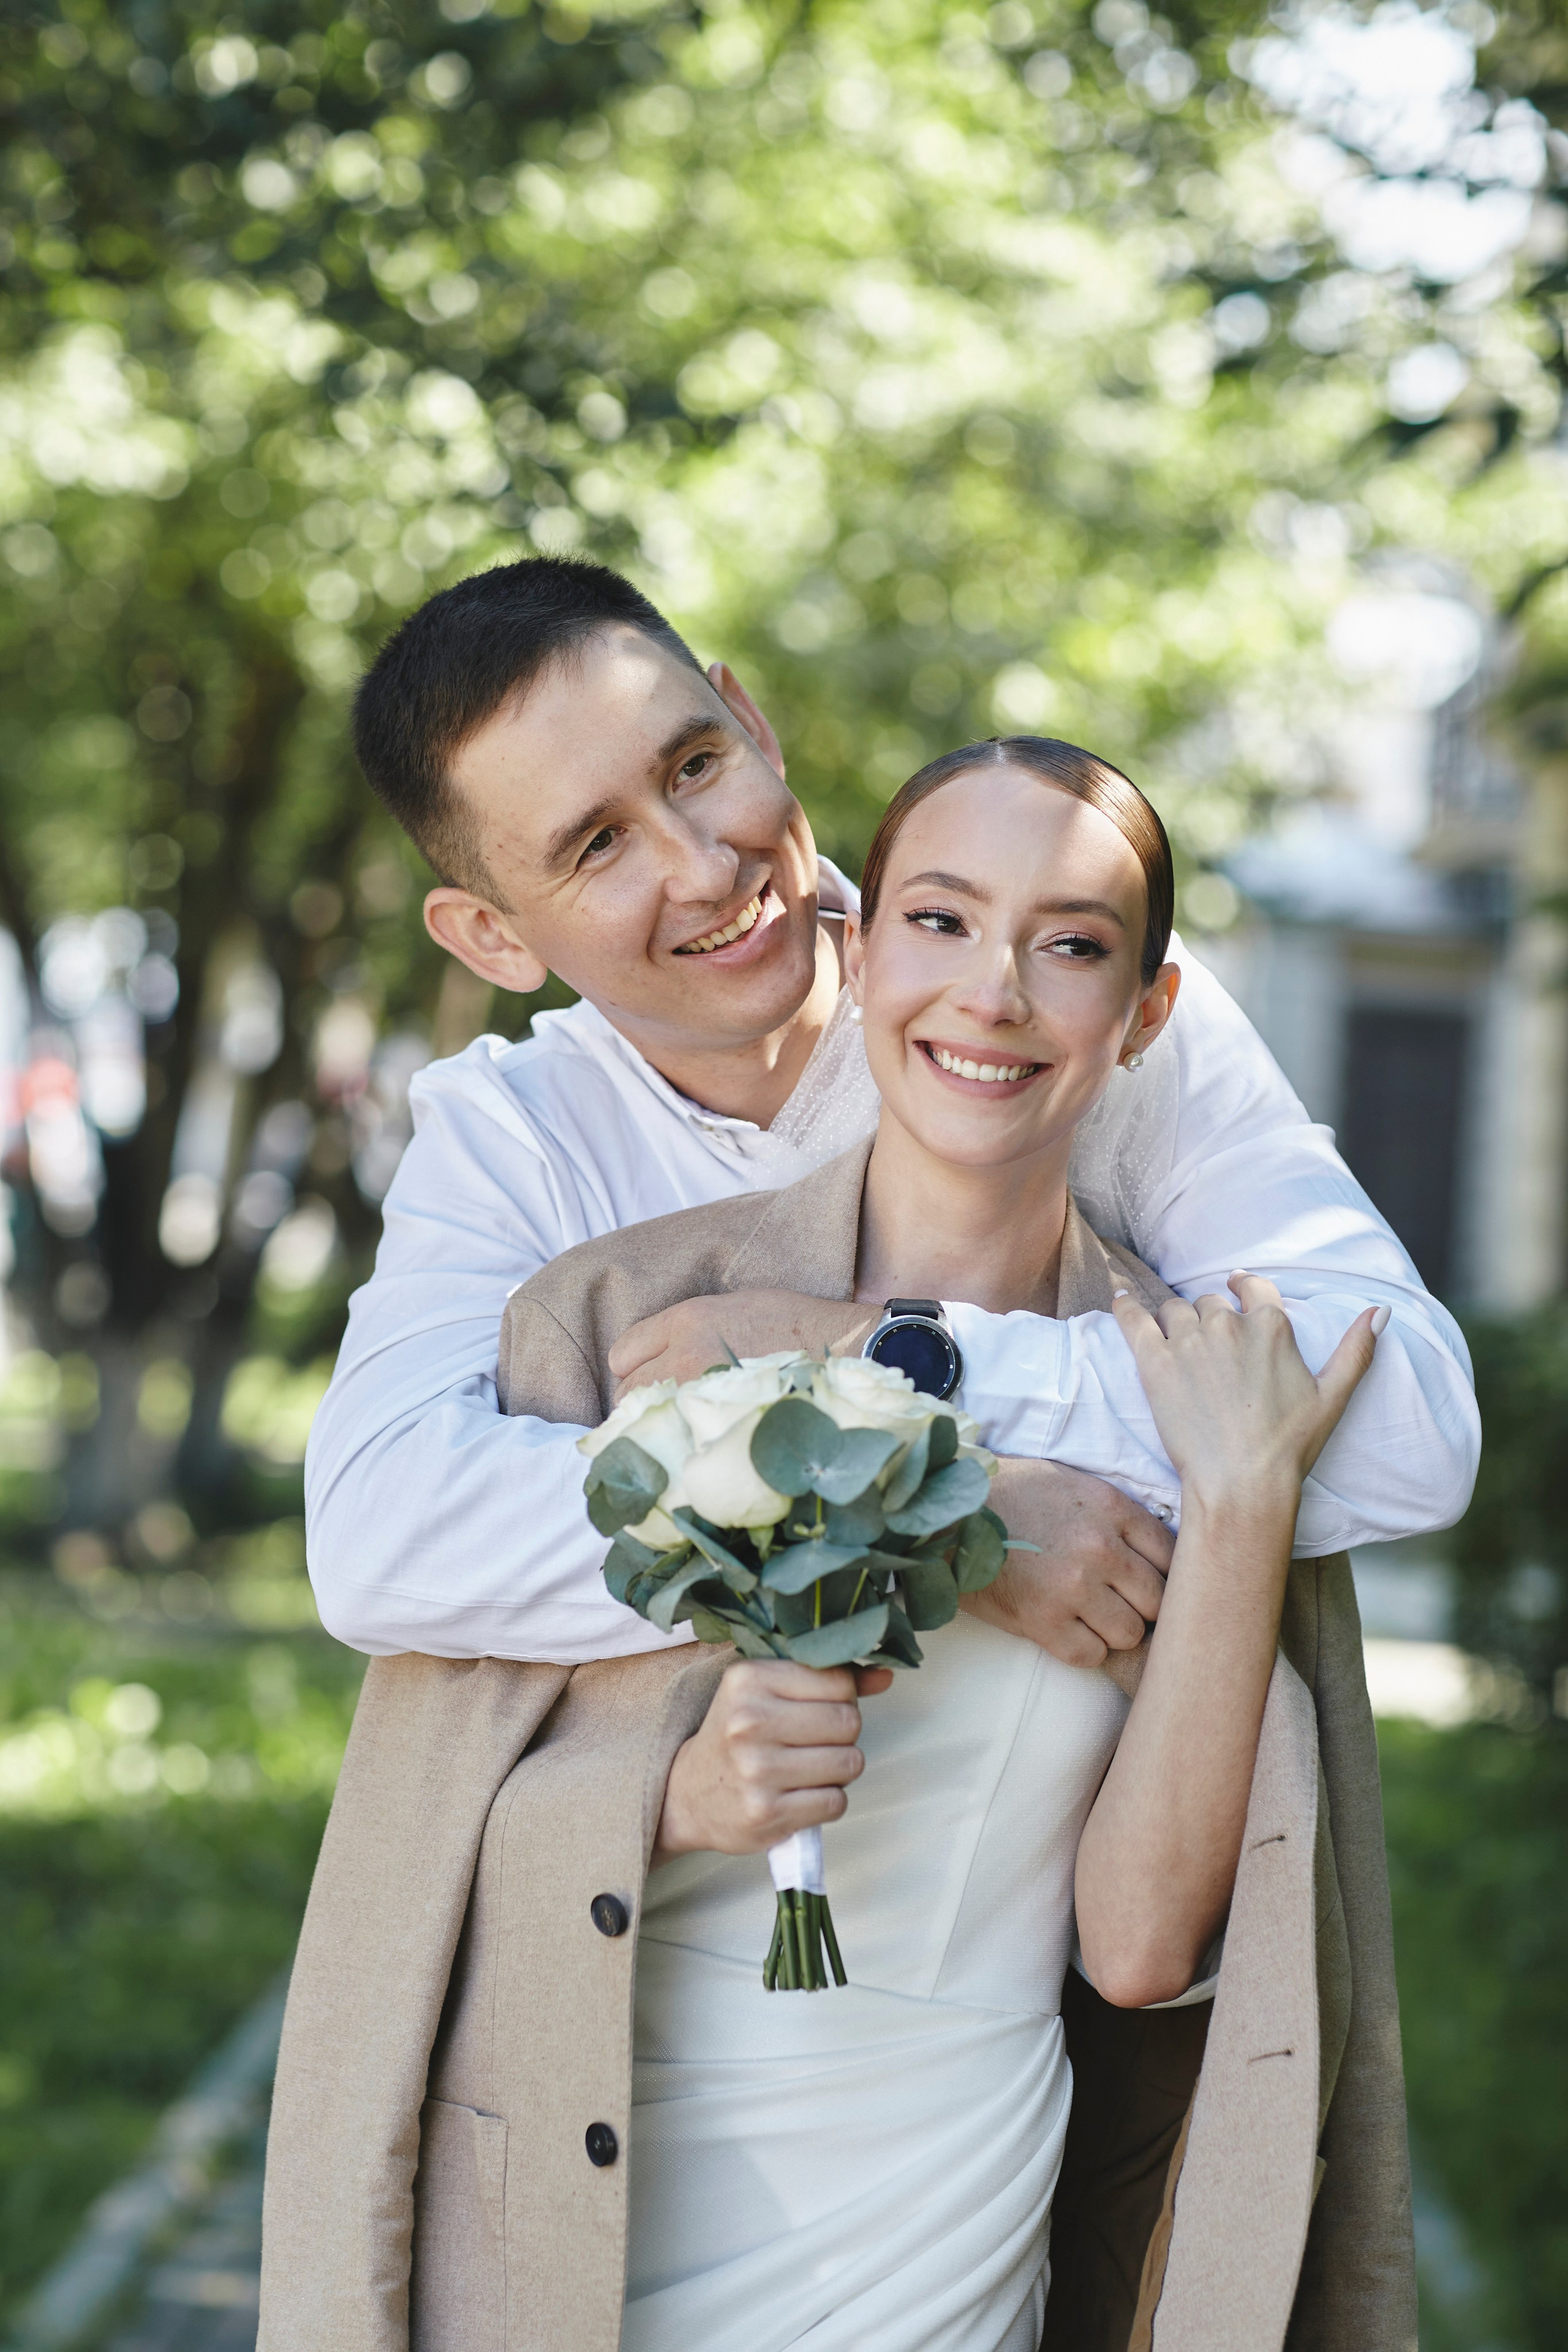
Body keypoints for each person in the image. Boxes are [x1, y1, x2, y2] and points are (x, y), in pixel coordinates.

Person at [262, 739, 1413, 2352]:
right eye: (940, 922)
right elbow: (415, 1819)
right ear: (857, 950)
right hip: (599, 2197)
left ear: (1147, 1013)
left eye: (1072, 945)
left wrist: (1235, 1510)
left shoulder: (1192, 1399)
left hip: (945, 2219)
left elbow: (1141, 1949)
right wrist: (676, 1797)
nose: (992, 993)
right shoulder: (629, 1316)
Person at [304, 557, 1479, 1682]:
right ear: (492, 939)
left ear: (751, 725)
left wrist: (870, 1352)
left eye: (697, 765)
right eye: (599, 844)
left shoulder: (1066, 1009)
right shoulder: (516, 1134)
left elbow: (1409, 1423)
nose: (705, 868)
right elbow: (383, 1539)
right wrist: (942, 1511)